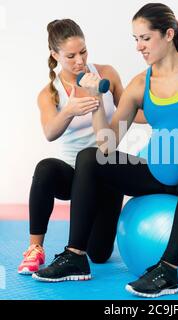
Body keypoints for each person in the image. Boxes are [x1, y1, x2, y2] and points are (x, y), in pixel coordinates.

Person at [32, 3, 178, 298]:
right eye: (135, 39)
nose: (139, 47)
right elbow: (107, 145)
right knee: (90, 158)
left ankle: (168, 270)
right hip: (161, 174)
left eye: (145, 38)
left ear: (168, 34)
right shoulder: (140, 84)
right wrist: (95, 99)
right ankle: (75, 256)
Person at [18, 19, 146, 275]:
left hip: (105, 173)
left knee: (99, 255)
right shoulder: (49, 93)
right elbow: (49, 132)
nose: (80, 60)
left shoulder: (106, 74)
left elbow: (130, 111)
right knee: (45, 169)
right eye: (71, 55)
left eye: (83, 51)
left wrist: (166, 112)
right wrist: (69, 111)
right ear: (55, 55)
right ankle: (35, 248)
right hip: (72, 174)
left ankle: (84, 249)